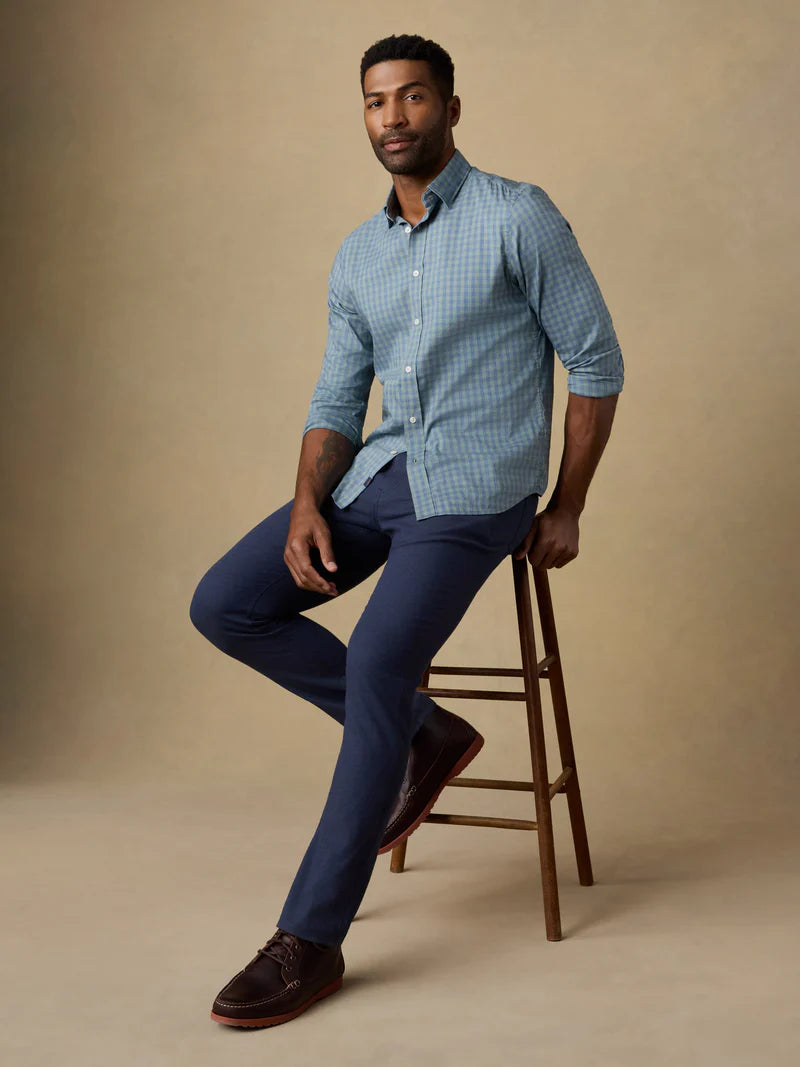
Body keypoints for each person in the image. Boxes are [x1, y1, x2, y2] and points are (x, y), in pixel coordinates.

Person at [190, 32, 623, 1029]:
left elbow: (595, 362)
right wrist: (307, 500)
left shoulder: (518, 215)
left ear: (450, 109)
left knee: (379, 658)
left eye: (413, 97)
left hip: (477, 491)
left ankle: (310, 935)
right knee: (226, 603)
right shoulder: (359, 253)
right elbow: (336, 400)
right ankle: (423, 733)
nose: (393, 117)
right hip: (382, 476)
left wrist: (566, 504)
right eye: (376, 101)